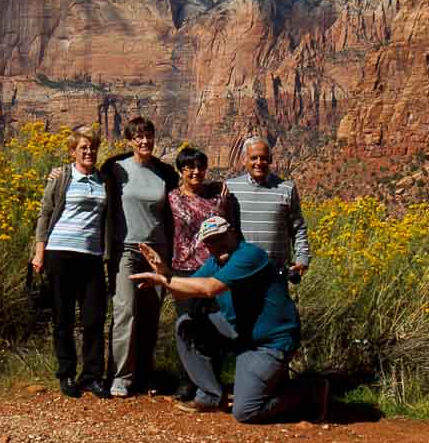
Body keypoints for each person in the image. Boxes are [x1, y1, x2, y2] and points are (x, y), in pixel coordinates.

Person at [131, 217, 326, 423]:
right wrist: (164, 272)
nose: (216, 244)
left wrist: (165, 280)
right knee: (187, 324)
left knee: (246, 411)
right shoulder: (216, 262)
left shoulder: (248, 255)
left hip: (270, 341)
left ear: (233, 233)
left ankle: (309, 389)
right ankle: (211, 396)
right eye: (210, 241)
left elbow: (209, 288)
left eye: (220, 237)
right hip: (241, 333)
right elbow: (185, 291)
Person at [31, 126, 112, 398]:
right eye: (83, 148)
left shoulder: (104, 180)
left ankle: (92, 375)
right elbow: (45, 214)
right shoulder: (63, 176)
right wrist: (39, 252)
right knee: (63, 318)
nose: (89, 152)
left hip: (91, 257)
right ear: (73, 151)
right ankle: (66, 374)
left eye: (92, 147)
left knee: (93, 318)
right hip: (59, 252)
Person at [103, 116, 179, 398]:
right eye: (138, 136)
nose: (145, 141)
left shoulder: (165, 173)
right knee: (126, 311)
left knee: (150, 314)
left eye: (149, 135)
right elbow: (85, 178)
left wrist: (215, 188)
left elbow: (181, 196)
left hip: (157, 250)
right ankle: (121, 376)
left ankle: (144, 375)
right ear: (129, 141)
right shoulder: (114, 169)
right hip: (126, 248)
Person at [167, 145, 229, 402]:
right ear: (181, 170)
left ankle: (212, 381)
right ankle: (187, 380)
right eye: (190, 167)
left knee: (212, 326)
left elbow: (227, 228)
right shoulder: (171, 197)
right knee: (187, 325)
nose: (196, 172)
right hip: (183, 268)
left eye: (200, 167)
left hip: (213, 268)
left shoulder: (217, 198)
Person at [221, 135, 309, 281]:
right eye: (253, 158)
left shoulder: (287, 188)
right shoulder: (230, 188)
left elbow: (298, 228)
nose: (259, 163)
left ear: (270, 160)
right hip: (241, 271)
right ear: (244, 160)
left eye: (263, 158)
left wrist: (302, 258)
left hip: (276, 273)